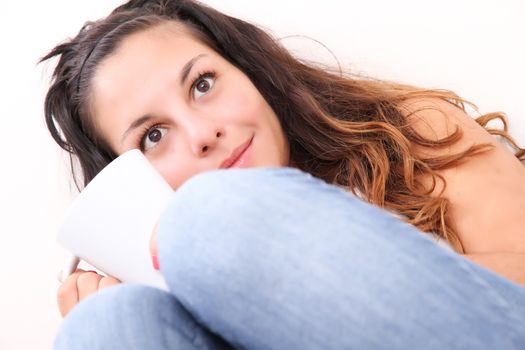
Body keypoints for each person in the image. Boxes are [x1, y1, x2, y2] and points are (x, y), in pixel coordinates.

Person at [41, 0, 525, 348]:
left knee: (214, 213)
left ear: (249, 70)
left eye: (203, 84)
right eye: (152, 136)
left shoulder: (407, 133)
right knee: (104, 325)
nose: (202, 132)